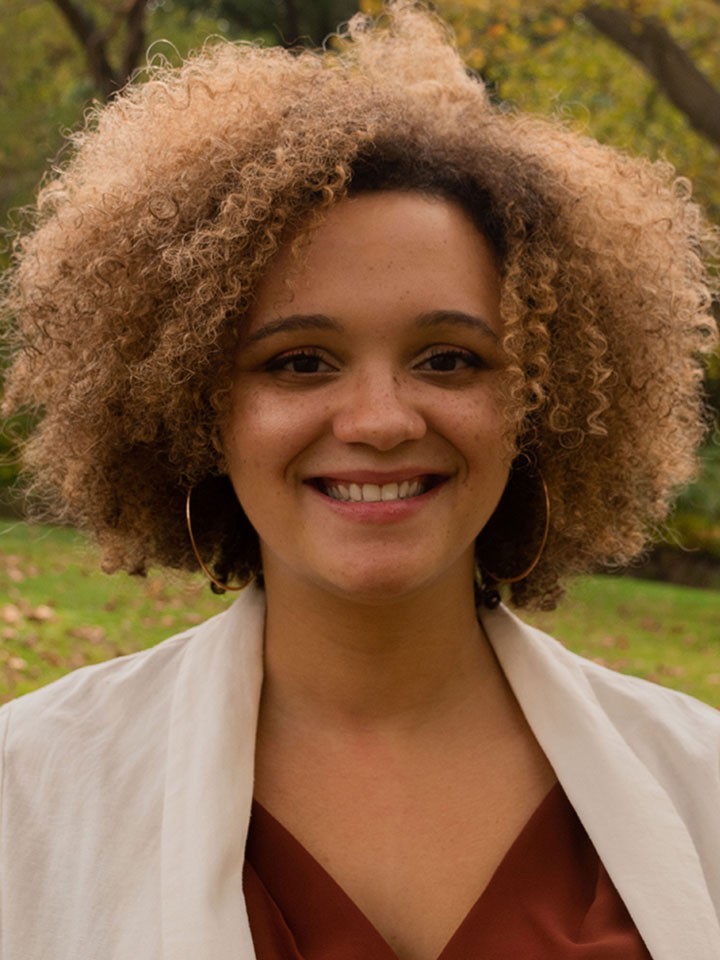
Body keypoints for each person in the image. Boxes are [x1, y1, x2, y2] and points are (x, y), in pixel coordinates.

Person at [0, 3, 718, 958]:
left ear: (543, 401)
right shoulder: (28, 791)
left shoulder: (702, 782)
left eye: (450, 359)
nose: (380, 421)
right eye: (299, 362)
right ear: (195, 407)